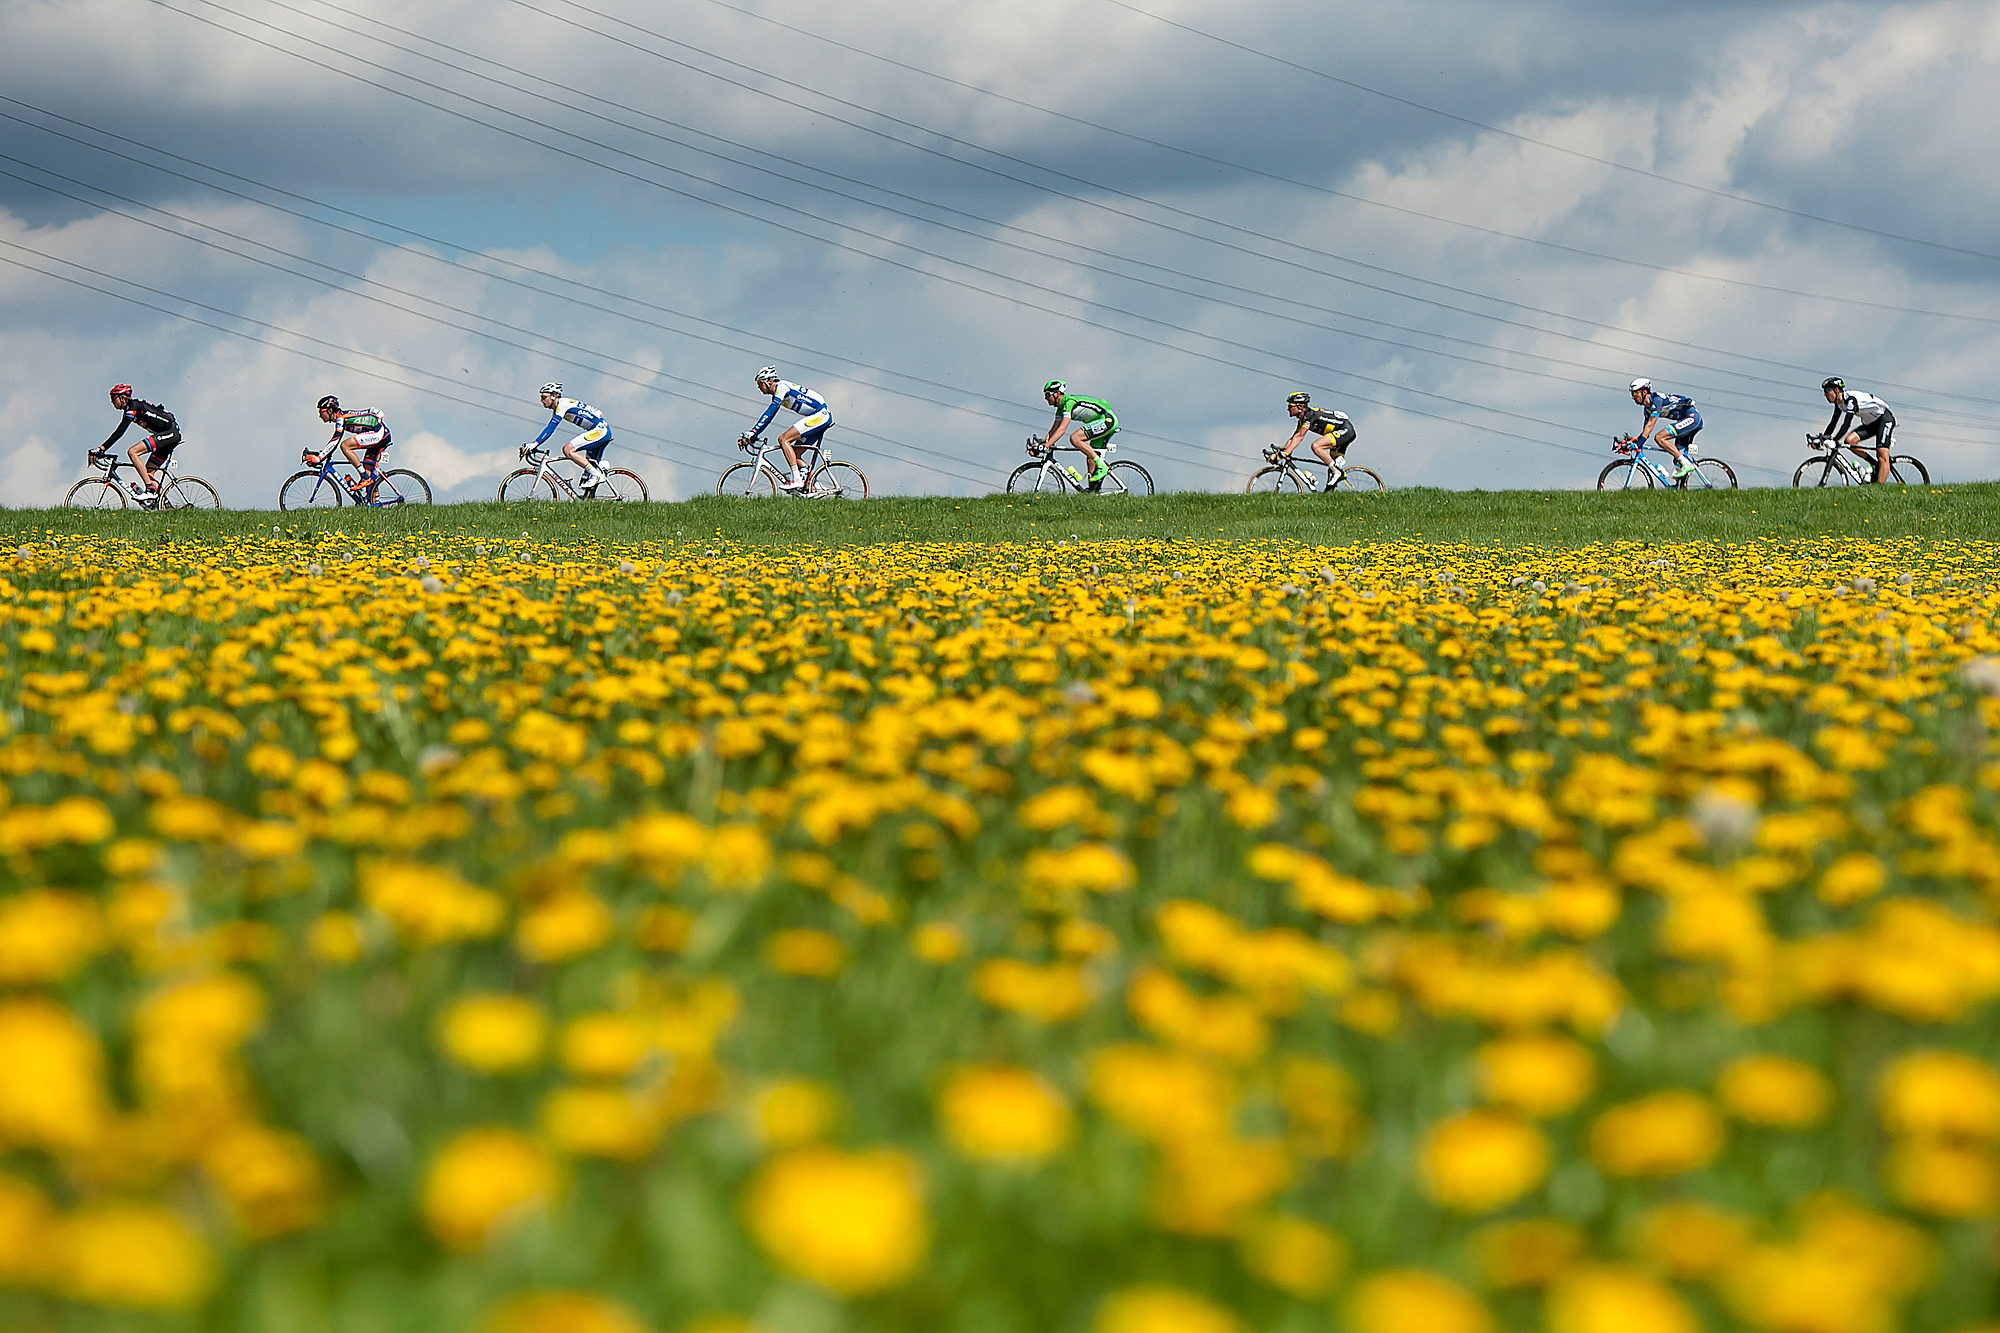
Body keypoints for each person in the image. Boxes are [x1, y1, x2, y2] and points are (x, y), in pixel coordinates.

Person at [743, 367, 832, 491]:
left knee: (783, 440)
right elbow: (770, 416)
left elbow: (770, 413)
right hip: (820, 416)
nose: (759, 387)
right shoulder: (779, 391)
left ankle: (796, 479)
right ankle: (815, 485)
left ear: (769, 381)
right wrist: (755, 433)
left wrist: (754, 431)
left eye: (760, 384)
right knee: (794, 454)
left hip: (820, 415)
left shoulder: (782, 387)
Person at [95, 385, 181, 500]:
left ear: (122, 398)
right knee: (148, 473)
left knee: (133, 452)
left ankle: (150, 489)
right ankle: (165, 505)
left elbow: (120, 431)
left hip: (170, 433)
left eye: (113, 398)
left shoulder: (133, 406)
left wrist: (101, 448)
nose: (112, 402)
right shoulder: (131, 408)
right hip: (168, 435)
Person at [534, 382, 613, 493]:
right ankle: (591, 495)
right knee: (586, 476)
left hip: (600, 431)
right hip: (598, 430)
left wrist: (534, 444)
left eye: (544, 397)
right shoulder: (560, 406)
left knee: (568, 450)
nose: (541, 400)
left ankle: (598, 474)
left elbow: (551, 428)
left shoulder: (562, 405)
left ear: (553, 396)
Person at [1041, 379, 1119, 489]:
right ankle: (1092, 492)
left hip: (1107, 420)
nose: (1046, 398)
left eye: (1047, 395)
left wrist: (1047, 445)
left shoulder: (1069, 403)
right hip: (1101, 421)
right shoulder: (1060, 409)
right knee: (1090, 455)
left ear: (1057, 393)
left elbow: (1062, 430)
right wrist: (1042, 444)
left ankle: (1103, 466)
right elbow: (1053, 430)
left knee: (1075, 438)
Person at [1818, 377, 1896, 484]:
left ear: (1836, 390)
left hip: (1884, 419)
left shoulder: (1850, 400)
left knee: (1882, 454)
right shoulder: (1839, 403)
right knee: (1849, 441)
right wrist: (1822, 439)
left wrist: (1835, 440)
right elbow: (1833, 423)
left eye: (1827, 391)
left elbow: (1846, 424)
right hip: (1870, 423)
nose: (1824, 394)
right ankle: (1874, 463)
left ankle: (1880, 487)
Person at [312, 395, 392, 498]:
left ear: (330, 410)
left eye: (321, 412)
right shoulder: (341, 417)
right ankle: (374, 500)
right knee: (368, 472)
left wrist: (319, 457)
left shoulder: (341, 418)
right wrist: (322, 454)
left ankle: (364, 478)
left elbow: (335, 440)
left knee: (345, 446)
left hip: (379, 433)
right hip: (380, 433)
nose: (319, 415)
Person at [1280, 391, 1356, 492]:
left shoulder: (1309, 415)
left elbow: (1299, 437)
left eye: (1290, 406)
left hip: (1345, 430)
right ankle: (1329, 495)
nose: (1288, 409)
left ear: (1300, 406)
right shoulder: (1303, 419)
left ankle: (1338, 472)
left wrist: (1284, 453)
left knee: (1316, 446)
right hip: (1341, 432)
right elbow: (1293, 438)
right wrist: (1280, 452)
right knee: (1331, 468)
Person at [1628, 378, 1702, 477]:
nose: (1633, 397)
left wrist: (1639, 443)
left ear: (1645, 392)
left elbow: (1650, 425)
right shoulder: (1647, 410)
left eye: (1635, 394)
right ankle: (1680, 487)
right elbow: (1646, 431)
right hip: (1684, 420)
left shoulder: (1656, 400)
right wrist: (1635, 442)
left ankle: (1687, 464)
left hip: (1692, 418)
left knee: (1659, 437)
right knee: (1676, 456)